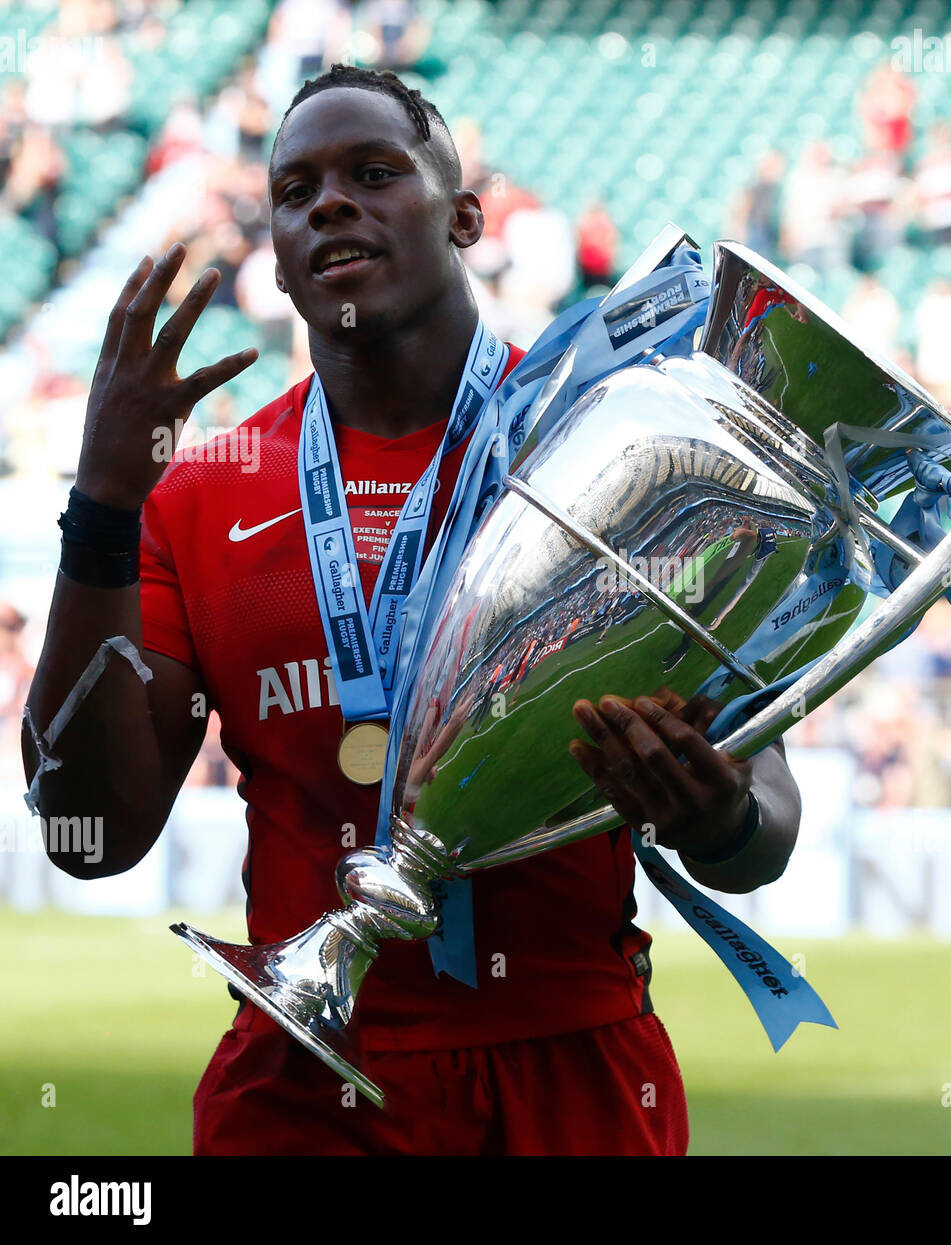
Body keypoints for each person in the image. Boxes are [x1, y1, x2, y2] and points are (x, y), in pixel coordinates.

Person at [22, 64, 802, 1157]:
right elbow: (89, 836)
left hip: (573, 1076)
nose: (330, 203)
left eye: (374, 173)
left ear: (467, 216)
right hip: (302, 1080)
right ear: (280, 256)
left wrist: (712, 813)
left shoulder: (620, 451)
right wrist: (101, 507)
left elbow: (762, 827)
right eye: (295, 192)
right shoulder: (202, 496)